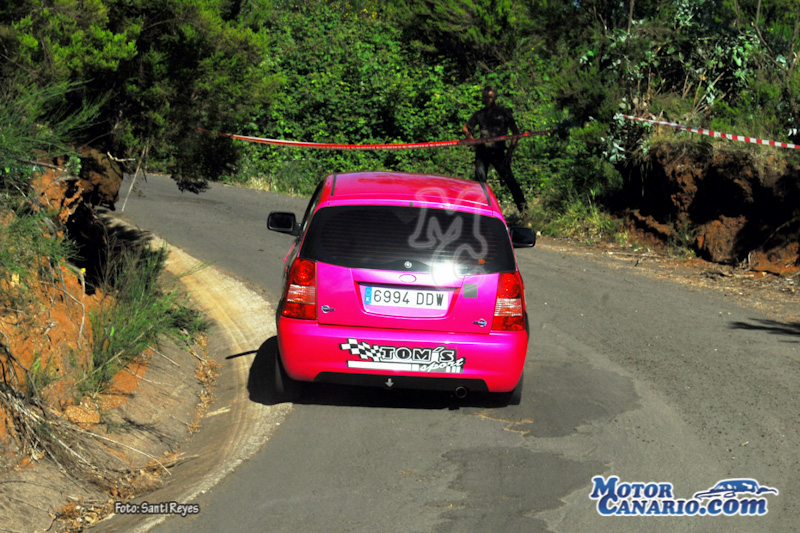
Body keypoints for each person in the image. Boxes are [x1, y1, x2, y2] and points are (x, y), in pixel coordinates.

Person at [462, 85, 527, 213]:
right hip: (482, 152)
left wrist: (510, 153)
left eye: (490, 97)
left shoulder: (504, 113)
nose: (488, 100)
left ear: (495, 97)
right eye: (485, 97)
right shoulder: (480, 114)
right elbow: (465, 128)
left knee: (510, 181)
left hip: (498, 152)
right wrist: (473, 141)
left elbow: (516, 133)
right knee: (480, 184)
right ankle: (480, 213)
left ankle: (524, 211)